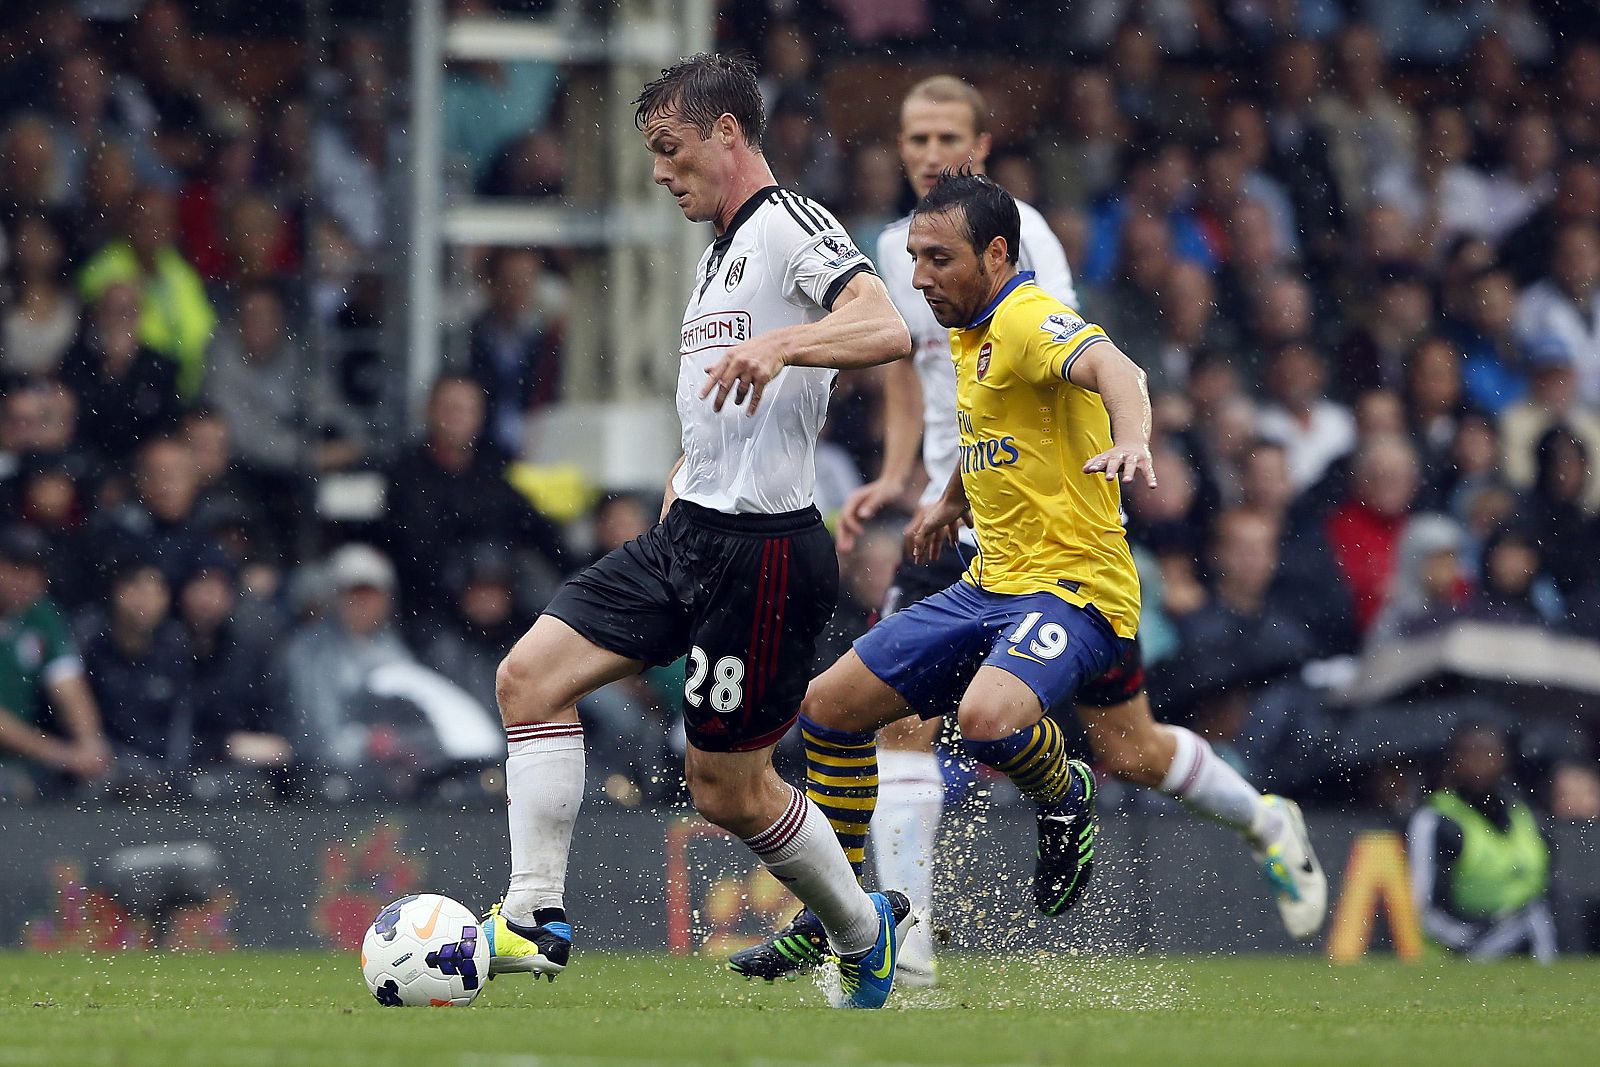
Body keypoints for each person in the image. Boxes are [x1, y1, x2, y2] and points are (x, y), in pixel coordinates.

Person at [732, 174, 1326, 987]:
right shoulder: (966, 329)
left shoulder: (1024, 317)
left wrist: (1133, 440)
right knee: (830, 708)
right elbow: (996, 437)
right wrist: (946, 500)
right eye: (913, 258)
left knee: (988, 718)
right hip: (990, 584)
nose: (918, 278)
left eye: (938, 259)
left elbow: (1119, 369)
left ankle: (1064, 788)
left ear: (998, 252)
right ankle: (842, 918)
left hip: (1077, 591)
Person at [485, 53, 915, 1010]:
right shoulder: (719, 254)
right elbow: (729, 409)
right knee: (527, 677)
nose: (658, 172)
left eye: (670, 149)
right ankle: (534, 916)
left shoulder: (792, 224)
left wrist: (785, 342)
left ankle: (860, 926)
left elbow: (883, 326)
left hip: (763, 554)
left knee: (726, 787)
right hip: (688, 535)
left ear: (729, 133)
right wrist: (688, 471)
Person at [828, 74, 1080, 988]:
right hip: (946, 511)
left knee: (1121, 741)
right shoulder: (897, 247)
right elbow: (905, 366)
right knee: (894, 717)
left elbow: (1049, 370)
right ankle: (914, 941)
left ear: (980, 143)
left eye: (946, 138)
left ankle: (1255, 820)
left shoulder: (1028, 240)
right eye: (915, 139)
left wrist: (976, 486)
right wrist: (901, 476)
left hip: (1032, 520)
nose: (930, 154)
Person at [1407, 722, 1555, 961]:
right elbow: (1426, 910)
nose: (1482, 763)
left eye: (1491, 754)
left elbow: (1550, 888)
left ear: (1505, 759)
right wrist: (1478, 940)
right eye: (1471, 754)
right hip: (1460, 953)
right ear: (1454, 761)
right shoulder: (1437, 819)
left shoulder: (1525, 814)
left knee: (1539, 914)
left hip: (1530, 944)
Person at [0, 525, 111, 799]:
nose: (26, 581)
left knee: (107, 781)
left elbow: (68, 685)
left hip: (22, 761)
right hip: (14, 765)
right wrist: (59, 754)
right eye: (16, 568)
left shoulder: (42, 614)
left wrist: (91, 744)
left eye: (36, 572)